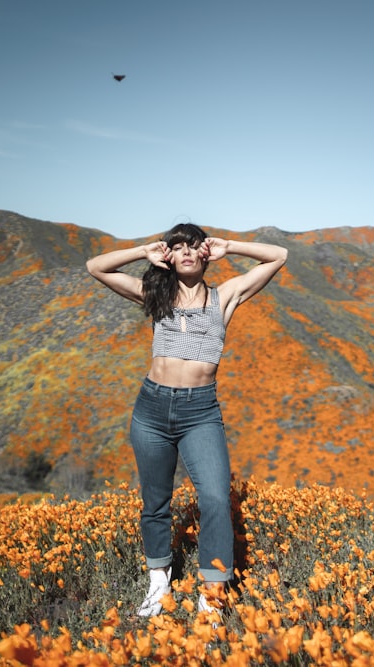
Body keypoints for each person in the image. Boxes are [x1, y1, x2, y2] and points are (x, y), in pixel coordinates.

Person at [86, 222, 287, 618]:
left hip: (200, 412)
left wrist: (230, 245)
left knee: (214, 498)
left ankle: (212, 598)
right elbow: (97, 267)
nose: (187, 252)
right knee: (155, 502)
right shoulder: (155, 295)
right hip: (152, 409)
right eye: (178, 247)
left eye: (194, 246)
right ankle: (159, 583)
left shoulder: (224, 297)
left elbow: (279, 256)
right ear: (169, 257)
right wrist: (143, 251)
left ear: (205, 254)